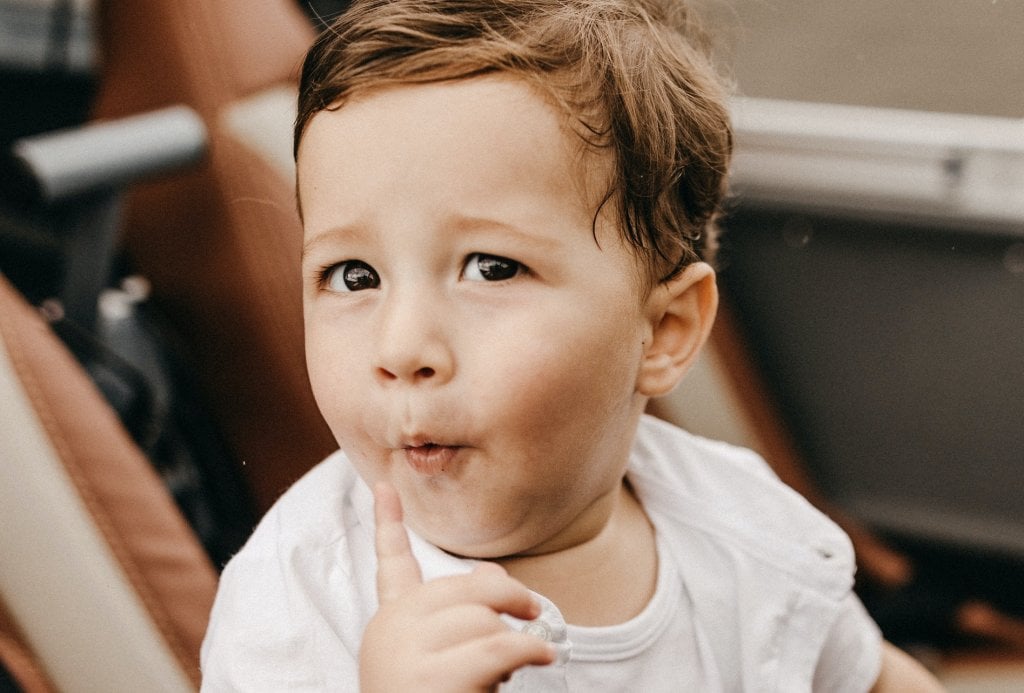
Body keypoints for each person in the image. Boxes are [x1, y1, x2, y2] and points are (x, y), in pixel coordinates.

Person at [200, 0, 943, 689]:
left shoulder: (739, 521)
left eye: (491, 267)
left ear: (664, 331)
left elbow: (868, 675)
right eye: (353, 274)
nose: (401, 347)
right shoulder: (301, 597)